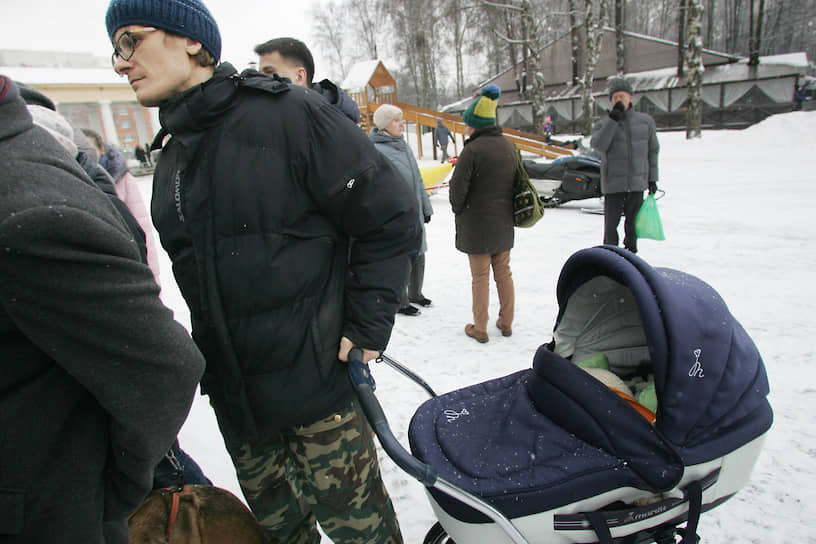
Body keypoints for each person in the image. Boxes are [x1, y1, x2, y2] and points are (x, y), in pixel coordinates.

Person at [105, 0, 420, 542]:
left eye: (130, 40)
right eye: (115, 48)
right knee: (282, 537)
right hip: (239, 405)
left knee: (364, 536)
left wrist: (368, 325)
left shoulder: (288, 114)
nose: (120, 61)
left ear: (190, 40)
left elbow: (390, 214)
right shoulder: (175, 151)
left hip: (317, 394)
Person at [0, 74, 205, 543]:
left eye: (131, 42)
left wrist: (112, 491)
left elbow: (163, 368)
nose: (123, 62)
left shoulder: (26, 206)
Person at [448, 84, 515, 343]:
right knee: (504, 273)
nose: (465, 128)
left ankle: (480, 327)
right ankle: (506, 323)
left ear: (475, 124)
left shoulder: (472, 150)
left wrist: (458, 209)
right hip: (503, 224)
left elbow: (457, 191)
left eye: (467, 124)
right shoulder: (509, 147)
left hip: (477, 226)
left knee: (480, 278)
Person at [371, 104, 433, 316]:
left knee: (419, 253)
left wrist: (426, 206)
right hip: (396, 214)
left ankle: (416, 293)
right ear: (384, 125)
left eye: (401, 119)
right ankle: (401, 300)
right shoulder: (376, 150)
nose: (401, 124)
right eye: (396, 120)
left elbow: (418, 180)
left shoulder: (404, 146)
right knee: (402, 258)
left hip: (414, 210)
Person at [82, 127, 161, 283]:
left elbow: (142, 226)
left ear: (101, 149)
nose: (88, 156)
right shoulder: (78, 181)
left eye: (90, 149)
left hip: (132, 258)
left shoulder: (122, 177)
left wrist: (153, 275)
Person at [590, 77, 660, 254]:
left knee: (632, 226)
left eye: (622, 96)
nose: (618, 100)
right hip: (613, 184)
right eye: (615, 98)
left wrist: (652, 179)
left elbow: (653, 151)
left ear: (630, 98)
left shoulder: (645, 122)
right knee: (611, 226)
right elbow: (598, 145)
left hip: (637, 183)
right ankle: (610, 255)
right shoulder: (604, 123)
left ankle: (631, 255)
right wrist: (612, 120)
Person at [254, 36, 360, 123]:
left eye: (269, 72)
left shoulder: (336, 128)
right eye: (259, 73)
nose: (261, 79)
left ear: (299, 76)